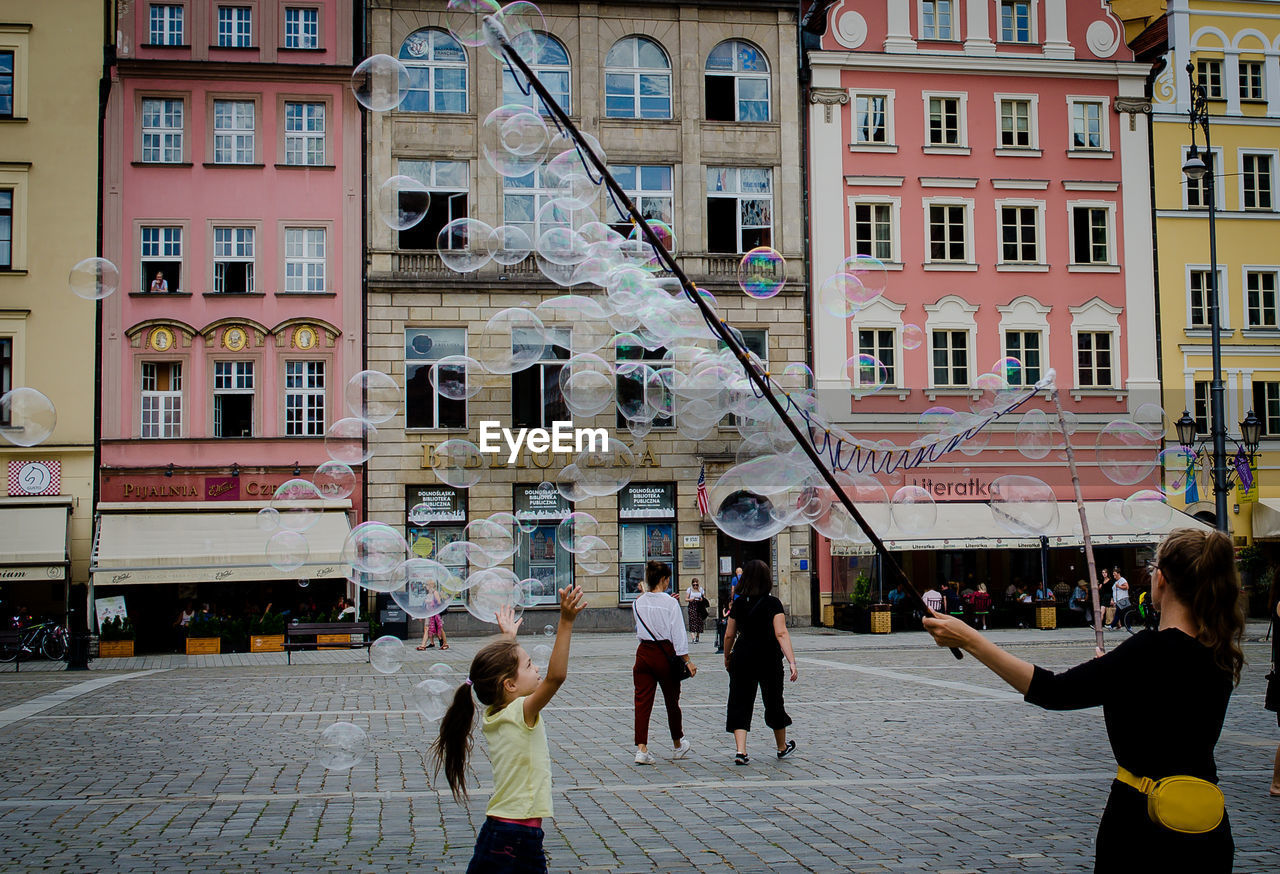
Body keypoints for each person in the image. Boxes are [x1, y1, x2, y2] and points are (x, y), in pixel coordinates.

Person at [923, 527, 1244, 872]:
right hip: (1208, 827)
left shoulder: (1146, 651)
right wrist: (1112, 670)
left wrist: (972, 641)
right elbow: (1167, 702)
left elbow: (1052, 691)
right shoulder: (1220, 654)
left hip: (1142, 825)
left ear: (1162, 579)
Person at [430, 589, 587, 874]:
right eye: (529, 665)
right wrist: (566, 621)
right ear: (509, 685)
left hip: (502, 831)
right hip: (515, 839)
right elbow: (556, 677)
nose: (535, 667)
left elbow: (505, 674)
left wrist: (508, 640)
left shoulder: (496, 712)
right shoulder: (521, 712)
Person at [723, 560, 797, 765]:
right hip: (768, 658)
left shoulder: (738, 604)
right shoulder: (773, 604)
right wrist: (792, 661)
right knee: (773, 701)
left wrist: (727, 656)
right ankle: (782, 747)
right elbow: (781, 633)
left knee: (740, 701)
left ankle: (741, 751)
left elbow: (729, 635)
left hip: (743, 657)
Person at [632, 560, 695, 765]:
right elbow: (678, 634)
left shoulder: (637, 602)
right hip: (665, 653)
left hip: (643, 653)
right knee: (672, 701)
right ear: (663, 579)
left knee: (642, 702)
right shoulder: (670, 602)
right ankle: (678, 744)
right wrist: (687, 660)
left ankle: (641, 749)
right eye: (668, 579)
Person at [686, 578, 707, 644]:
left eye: (696, 585)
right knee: (692, 621)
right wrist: (691, 599)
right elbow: (686, 599)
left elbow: (704, 598)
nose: (695, 586)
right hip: (692, 606)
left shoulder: (701, 590)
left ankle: (697, 636)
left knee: (699, 621)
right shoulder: (689, 590)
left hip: (699, 606)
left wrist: (701, 599)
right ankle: (693, 637)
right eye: (694, 585)